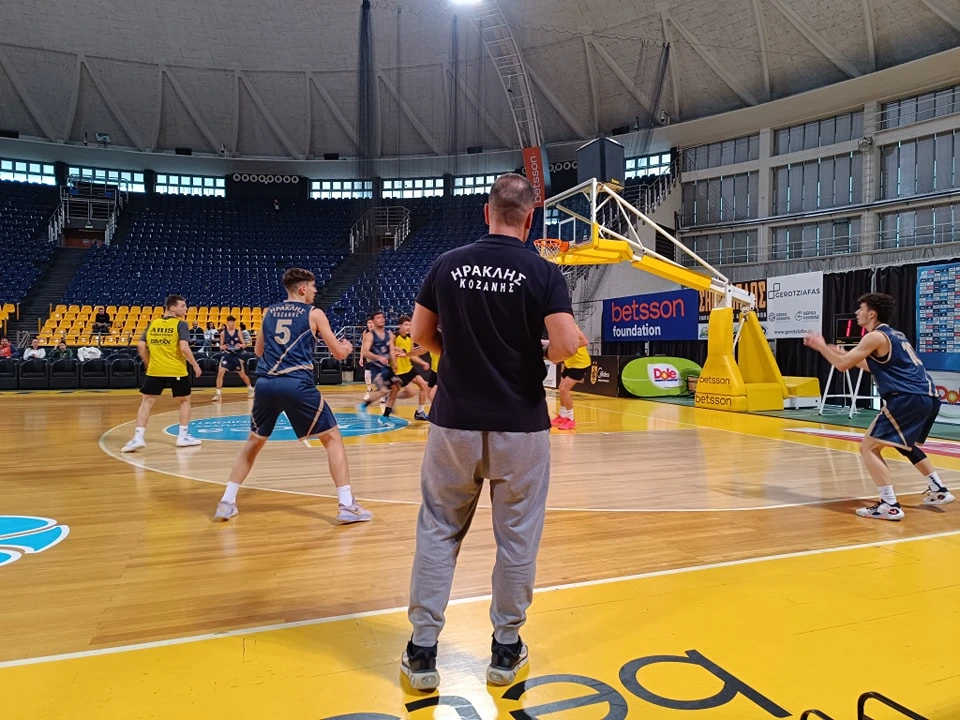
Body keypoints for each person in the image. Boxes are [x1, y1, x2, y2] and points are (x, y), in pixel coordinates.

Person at [400, 174, 583, 690]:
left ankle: (422, 651)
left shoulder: (447, 264)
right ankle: (505, 649)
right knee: (517, 538)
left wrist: (458, 353)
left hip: (454, 423)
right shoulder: (544, 271)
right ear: (529, 219)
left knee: (438, 529)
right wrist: (538, 353)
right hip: (520, 426)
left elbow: (421, 336)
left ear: (487, 212)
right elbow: (567, 344)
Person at [213, 268, 373, 525]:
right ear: (302, 288)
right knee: (332, 438)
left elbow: (258, 351)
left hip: (266, 384)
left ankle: (226, 502)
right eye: (313, 287)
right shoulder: (314, 313)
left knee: (254, 442)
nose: (315, 291)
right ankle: (346, 505)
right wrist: (346, 346)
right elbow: (339, 354)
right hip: (296, 383)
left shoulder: (269, 312)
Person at [804, 292, 955, 520]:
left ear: (872, 314)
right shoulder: (895, 335)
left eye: (861, 308)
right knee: (904, 444)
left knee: (869, 448)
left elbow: (842, 366)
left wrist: (821, 346)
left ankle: (889, 505)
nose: (857, 312)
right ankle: (938, 489)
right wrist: (848, 356)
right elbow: (876, 367)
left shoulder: (874, 337)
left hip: (907, 398)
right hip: (929, 397)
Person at [122, 295, 203, 453]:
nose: (186, 309)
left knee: (146, 402)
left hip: (155, 370)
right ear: (172, 308)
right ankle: (182, 437)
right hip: (176, 369)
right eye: (182, 306)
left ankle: (138, 438)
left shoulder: (153, 323)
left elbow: (141, 346)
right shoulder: (181, 324)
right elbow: (184, 348)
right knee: (184, 401)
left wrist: (148, 363)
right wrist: (195, 364)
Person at [383, 315, 430, 421]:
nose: (408, 327)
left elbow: (411, 354)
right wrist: (395, 351)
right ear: (400, 326)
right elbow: (387, 348)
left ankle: (420, 412)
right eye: (406, 325)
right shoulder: (394, 336)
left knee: (423, 385)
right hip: (398, 371)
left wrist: (423, 363)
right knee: (410, 393)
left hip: (408, 368)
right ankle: (386, 411)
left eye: (410, 325)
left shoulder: (410, 338)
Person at [552, 329, 590, 430]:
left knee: (564, 389)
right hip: (569, 363)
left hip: (580, 364)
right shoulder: (557, 330)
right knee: (561, 388)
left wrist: (570, 347)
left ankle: (571, 419)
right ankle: (562, 416)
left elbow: (585, 341)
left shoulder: (573, 327)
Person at [357, 311, 395, 411]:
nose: (382, 319)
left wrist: (394, 363)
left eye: (383, 317)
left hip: (386, 366)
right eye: (378, 317)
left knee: (396, 386)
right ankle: (365, 404)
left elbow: (392, 350)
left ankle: (388, 407)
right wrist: (378, 358)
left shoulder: (389, 334)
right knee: (383, 389)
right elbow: (365, 350)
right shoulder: (369, 335)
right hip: (375, 366)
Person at [213, 315, 254, 401]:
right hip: (227, 355)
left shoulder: (238, 332)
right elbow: (220, 346)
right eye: (230, 321)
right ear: (227, 322)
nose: (232, 323)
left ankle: (250, 389)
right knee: (220, 373)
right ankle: (218, 393)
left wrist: (240, 345)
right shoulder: (223, 333)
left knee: (242, 375)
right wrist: (223, 347)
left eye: (233, 322)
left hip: (236, 356)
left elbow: (245, 344)